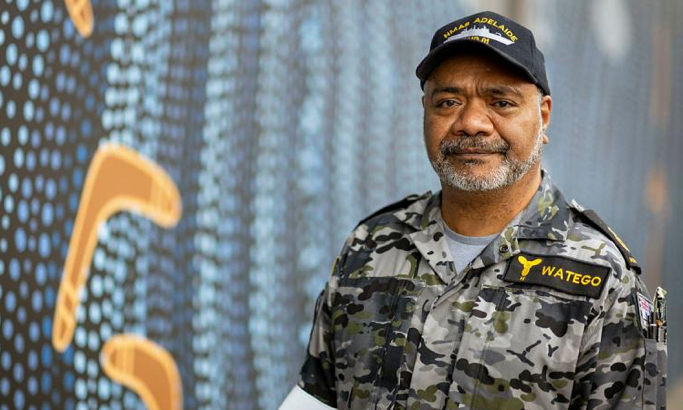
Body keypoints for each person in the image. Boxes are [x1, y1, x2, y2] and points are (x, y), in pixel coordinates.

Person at [280, 10, 667, 410]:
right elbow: (316, 398)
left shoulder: (603, 280)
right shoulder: (371, 247)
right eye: (448, 102)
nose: (472, 123)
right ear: (425, 112)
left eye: (501, 101)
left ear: (543, 116)